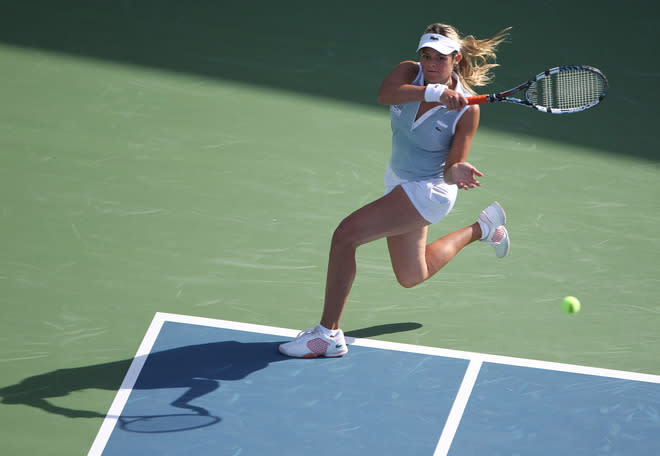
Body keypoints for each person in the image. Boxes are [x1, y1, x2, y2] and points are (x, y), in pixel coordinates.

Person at [279, 23, 511, 358]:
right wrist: (431, 93)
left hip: (428, 191)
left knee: (345, 236)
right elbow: (384, 95)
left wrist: (457, 169)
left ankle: (327, 335)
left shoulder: (466, 109)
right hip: (399, 179)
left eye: (440, 58)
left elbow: (450, 167)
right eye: (426, 55)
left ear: (456, 58)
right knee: (411, 275)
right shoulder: (408, 73)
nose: (431, 64)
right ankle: (483, 228)